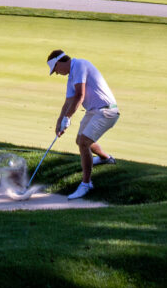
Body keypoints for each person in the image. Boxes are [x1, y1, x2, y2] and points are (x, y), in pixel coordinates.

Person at [46, 49, 120, 199]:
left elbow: (80, 95)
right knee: (80, 140)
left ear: (60, 62)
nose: (57, 73)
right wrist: (60, 121)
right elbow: (68, 101)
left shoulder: (79, 65)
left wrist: (68, 118)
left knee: (84, 142)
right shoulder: (71, 76)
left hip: (106, 111)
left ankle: (86, 184)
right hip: (93, 111)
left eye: (56, 70)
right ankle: (106, 158)